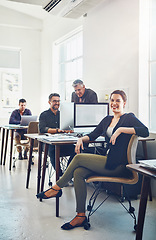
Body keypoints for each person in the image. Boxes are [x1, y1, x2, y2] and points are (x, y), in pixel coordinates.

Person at [36, 90, 149, 230]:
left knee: (78, 158)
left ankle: (57, 188)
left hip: (120, 165)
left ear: (124, 103)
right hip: (109, 161)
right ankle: (80, 215)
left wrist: (121, 130)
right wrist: (80, 139)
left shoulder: (129, 118)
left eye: (118, 101)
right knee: (78, 172)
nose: (114, 103)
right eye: (112, 100)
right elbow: (93, 135)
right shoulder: (107, 119)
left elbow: (145, 131)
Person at [39, 93, 75, 176]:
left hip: (62, 142)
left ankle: (67, 173)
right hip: (49, 144)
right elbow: (42, 129)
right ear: (49, 102)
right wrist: (57, 130)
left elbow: (68, 126)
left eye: (58, 101)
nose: (57, 103)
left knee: (77, 150)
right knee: (53, 151)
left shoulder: (63, 114)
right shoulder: (44, 115)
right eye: (54, 101)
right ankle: (60, 175)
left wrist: (69, 130)